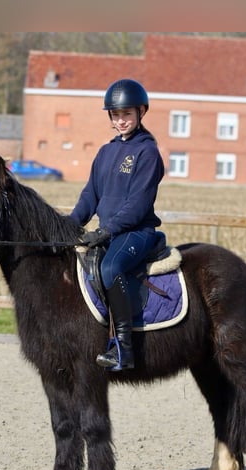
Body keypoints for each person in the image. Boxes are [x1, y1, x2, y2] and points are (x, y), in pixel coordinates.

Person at [70, 78, 165, 371]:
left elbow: (137, 205)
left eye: (127, 114)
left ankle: (123, 348)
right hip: (109, 232)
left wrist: (106, 230)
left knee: (110, 268)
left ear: (141, 112)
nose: (121, 120)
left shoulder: (147, 153)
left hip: (137, 232)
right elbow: (90, 195)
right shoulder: (105, 152)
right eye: (116, 115)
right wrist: (69, 224)